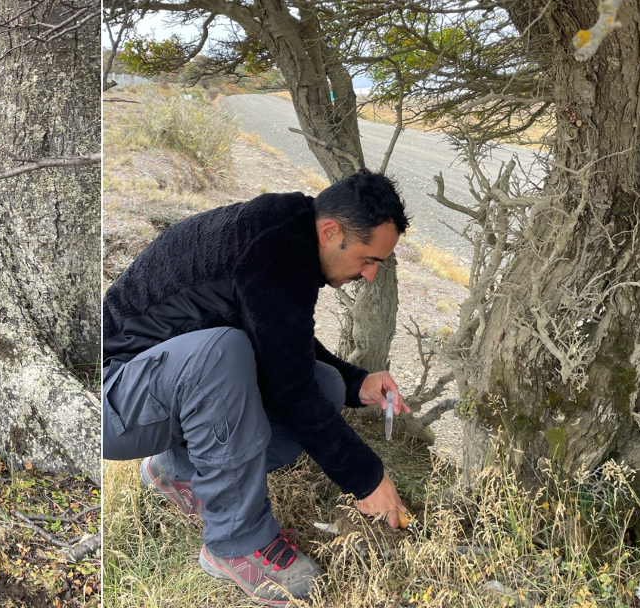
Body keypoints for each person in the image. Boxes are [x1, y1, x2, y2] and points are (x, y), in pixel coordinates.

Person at [102, 169, 412, 605]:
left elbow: (281, 337)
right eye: (367, 259)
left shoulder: (288, 235)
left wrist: (357, 383)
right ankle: (236, 544)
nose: (369, 276)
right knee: (222, 354)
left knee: (325, 384)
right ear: (331, 231)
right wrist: (366, 479)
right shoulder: (275, 247)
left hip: (161, 387)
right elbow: (289, 387)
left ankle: (178, 473)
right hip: (110, 396)